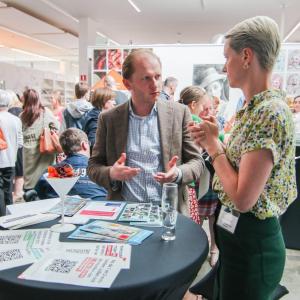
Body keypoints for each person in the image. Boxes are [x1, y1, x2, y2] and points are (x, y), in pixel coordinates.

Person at [188, 16, 297, 299]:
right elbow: (245, 159)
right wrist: (216, 137)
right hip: (238, 241)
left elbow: (243, 198)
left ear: (246, 56)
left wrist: (213, 146)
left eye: (227, 57)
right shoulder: (253, 108)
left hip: (252, 245)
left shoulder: (267, 112)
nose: (224, 67)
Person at [88, 49, 204, 214]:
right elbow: (93, 166)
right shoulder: (109, 119)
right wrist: (111, 173)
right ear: (128, 84)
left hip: (168, 212)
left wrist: (177, 173)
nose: (155, 84)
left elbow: (197, 162)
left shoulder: (179, 113)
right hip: (124, 213)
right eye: (146, 78)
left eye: (157, 77)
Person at [179, 86, 220, 267]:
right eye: (205, 106)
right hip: (192, 178)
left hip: (201, 176)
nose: (208, 111)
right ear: (194, 104)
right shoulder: (190, 120)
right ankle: (200, 249)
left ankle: (210, 248)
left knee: (207, 214)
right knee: (197, 215)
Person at [35, 128, 107, 201]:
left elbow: (39, 194)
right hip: (98, 209)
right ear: (84, 145)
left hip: (61, 211)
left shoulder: (51, 172)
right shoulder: (101, 170)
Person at [21, 89, 59, 192]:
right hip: (45, 157)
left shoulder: (21, 117)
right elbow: (58, 128)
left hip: (28, 159)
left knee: (29, 190)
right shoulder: (46, 113)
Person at [0, 90, 23, 215]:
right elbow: (20, 143)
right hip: (10, 161)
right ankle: (8, 219)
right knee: (8, 191)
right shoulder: (16, 120)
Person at [7, 90, 24, 202]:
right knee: (19, 168)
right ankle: (18, 192)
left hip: (9, 143)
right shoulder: (22, 111)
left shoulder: (9, 111)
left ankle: (14, 193)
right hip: (19, 142)